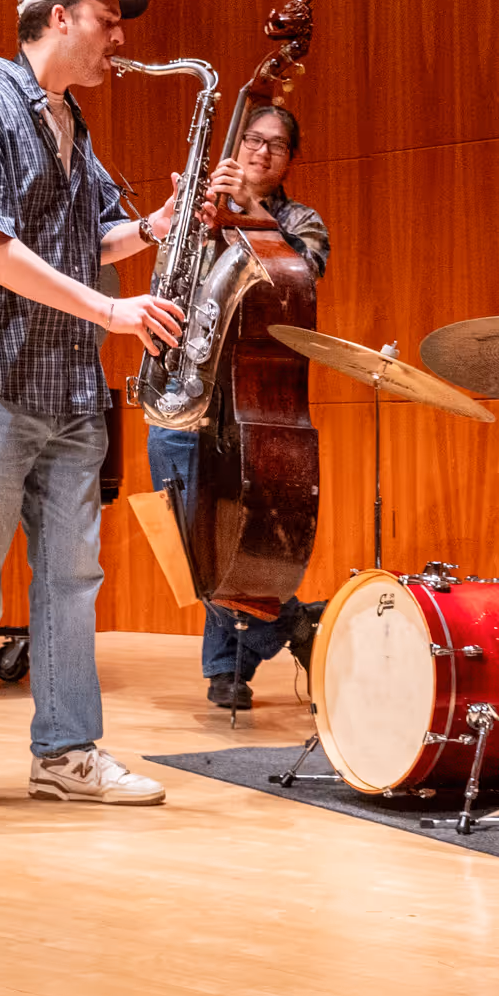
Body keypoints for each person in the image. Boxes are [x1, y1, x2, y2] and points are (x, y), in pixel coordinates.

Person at [0, 0, 189, 815]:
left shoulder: (71, 122)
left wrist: (152, 228)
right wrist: (110, 312)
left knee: (70, 580)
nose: (121, 39)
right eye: (109, 21)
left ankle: (65, 753)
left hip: (64, 385)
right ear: (58, 18)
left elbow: (83, 242)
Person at [145, 104, 331, 711]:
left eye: (276, 145)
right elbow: (166, 284)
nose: (260, 151)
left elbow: (303, 271)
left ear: (289, 160)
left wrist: (247, 213)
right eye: (251, 138)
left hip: (250, 402)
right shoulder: (195, 213)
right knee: (189, 547)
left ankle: (228, 671)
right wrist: (196, 221)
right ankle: (295, 623)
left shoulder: (300, 220)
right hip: (181, 395)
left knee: (239, 542)